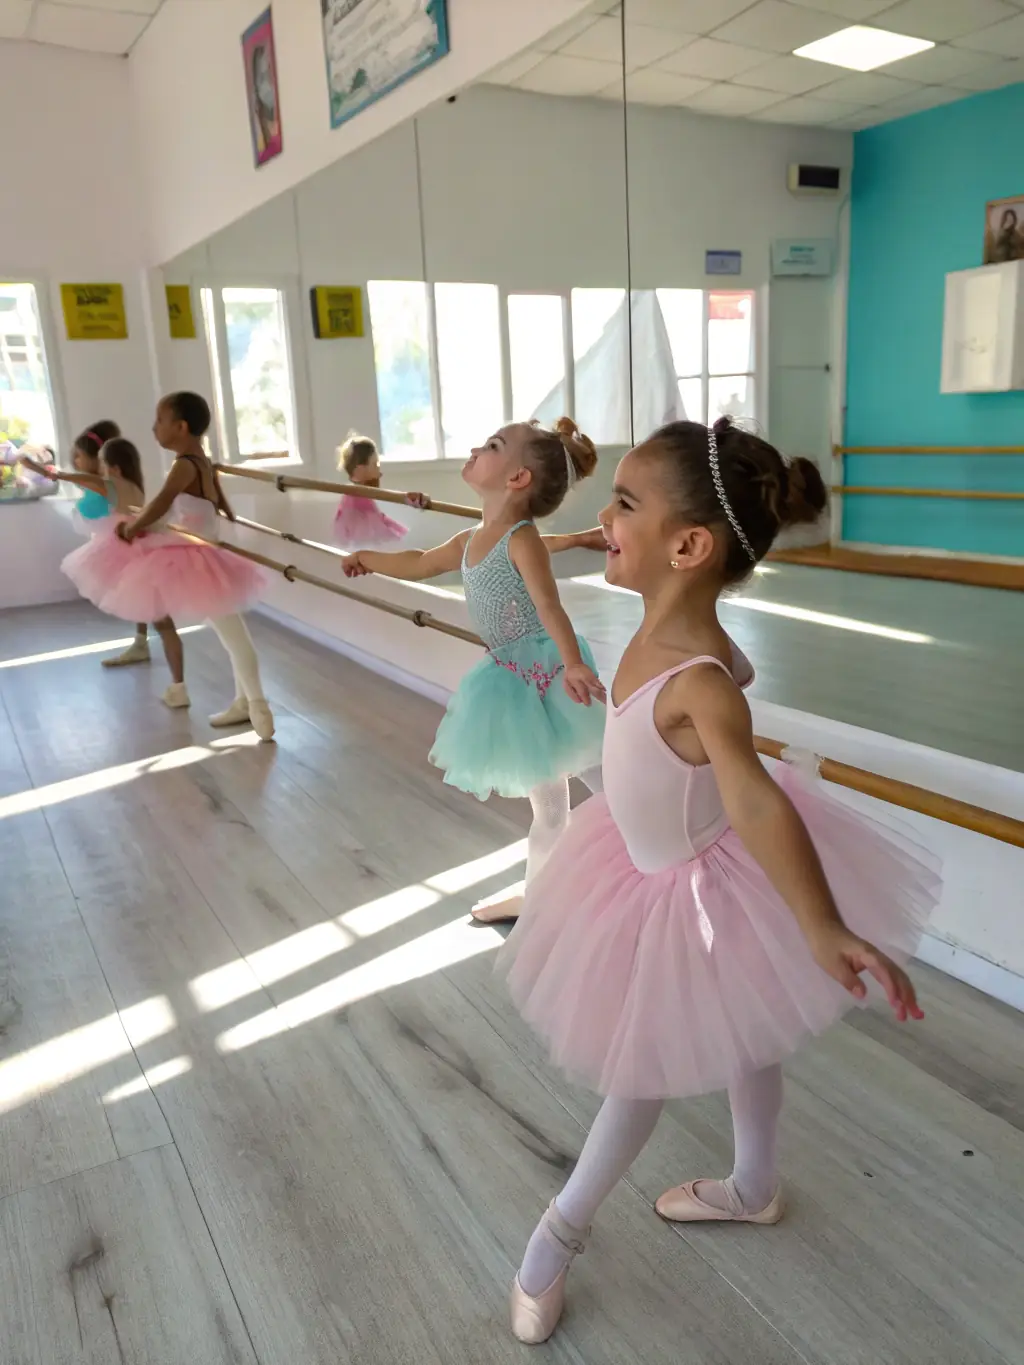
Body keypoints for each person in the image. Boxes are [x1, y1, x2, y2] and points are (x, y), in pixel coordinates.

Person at [498, 416, 941, 1345]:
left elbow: (754, 797)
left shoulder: (701, 680)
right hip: (637, 864)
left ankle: (560, 1230)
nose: (603, 518)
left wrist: (819, 925)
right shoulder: (675, 631)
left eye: (623, 503)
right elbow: (709, 702)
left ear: (689, 545)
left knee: (641, 1070)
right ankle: (752, 1183)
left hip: (689, 881)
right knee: (746, 1027)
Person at [343, 417, 607, 922]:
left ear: (517, 479)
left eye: (492, 446)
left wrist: (572, 663)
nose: (474, 448)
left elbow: (550, 608)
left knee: (606, 782)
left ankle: (642, 872)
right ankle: (542, 896)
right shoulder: (472, 539)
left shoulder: (522, 540)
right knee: (551, 806)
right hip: (512, 679)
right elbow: (420, 561)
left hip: (550, 674)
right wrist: (368, 559)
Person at [94, 393, 275, 739]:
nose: (154, 427)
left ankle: (258, 706)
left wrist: (133, 528)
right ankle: (244, 701)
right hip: (200, 552)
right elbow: (200, 510)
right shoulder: (202, 461)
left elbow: (161, 502)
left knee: (233, 636)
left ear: (182, 426)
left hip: (197, 558)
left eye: (160, 420)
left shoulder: (184, 464)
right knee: (231, 632)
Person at [26, 421, 151, 667]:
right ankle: (141, 641)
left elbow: (62, 475)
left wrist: (33, 466)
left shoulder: (106, 483)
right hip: (119, 539)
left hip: (122, 542)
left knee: (140, 592)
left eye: (80, 456)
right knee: (139, 591)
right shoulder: (115, 482)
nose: (76, 460)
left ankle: (143, 642)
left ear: (99, 460)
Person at [331, 433, 409, 551]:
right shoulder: (355, 494)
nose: (379, 470)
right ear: (360, 470)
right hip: (361, 540)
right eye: (375, 464)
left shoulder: (360, 493)